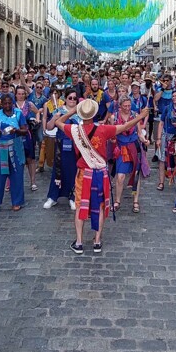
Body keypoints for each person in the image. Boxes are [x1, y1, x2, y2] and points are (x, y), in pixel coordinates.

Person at [67, 99, 146, 253]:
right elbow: (126, 126)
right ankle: (97, 241)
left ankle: (79, 242)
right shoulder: (103, 130)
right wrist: (141, 116)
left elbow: (57, 122)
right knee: (100, 206)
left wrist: (72, 111)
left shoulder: (74, 130)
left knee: (80, 206)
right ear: (95, 113)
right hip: (100, 174)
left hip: (83, 173)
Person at [0, 94, 29, 212]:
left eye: (10, 103)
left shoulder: (18, 113)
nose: (8, 106)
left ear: (13, 103)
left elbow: (25, 130)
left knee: (17, 174)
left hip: (15, 146)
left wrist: (17, 130)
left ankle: (17, 201)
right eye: (5, 103)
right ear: (1, 104)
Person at [44, 91, 81, 211]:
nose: (72, 100)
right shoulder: (59, 110)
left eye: (75, 98)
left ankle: (73, 197)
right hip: (60, 146)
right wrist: (54, 118)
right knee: (57, 170)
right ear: (65, 98)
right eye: (70, 97)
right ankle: (53, 197)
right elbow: (49, 127)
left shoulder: (80, 112)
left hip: (75, 147)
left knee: (73, 171)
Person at [111, 95, 147, 216]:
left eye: (129, 105)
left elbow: (139, 132)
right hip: (122, 149)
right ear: (120, 107)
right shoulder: (114, 117)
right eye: (125, 106)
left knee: (136, 175)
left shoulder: (135, 116)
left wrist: (144, 139)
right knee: (120, 176)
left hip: (134, 147)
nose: (127, 108)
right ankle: (117, 200)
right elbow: (112, 134)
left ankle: (135, 201)